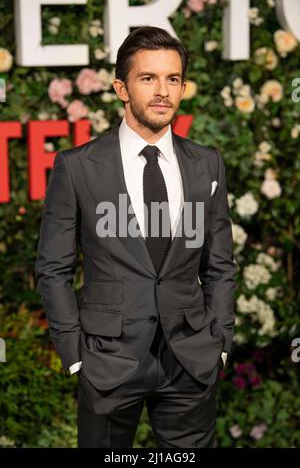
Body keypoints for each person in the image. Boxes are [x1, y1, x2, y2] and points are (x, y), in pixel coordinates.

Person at [35, 26, 237, 448]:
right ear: (121, 88)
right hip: (108, 360)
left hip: (191, 359)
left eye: (173, 79)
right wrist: (75, 355)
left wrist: (219, 340)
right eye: (148, 78)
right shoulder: (77, 167)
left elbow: (219, 265)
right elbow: (53, 269)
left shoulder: (208, 164)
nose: (163, 91)